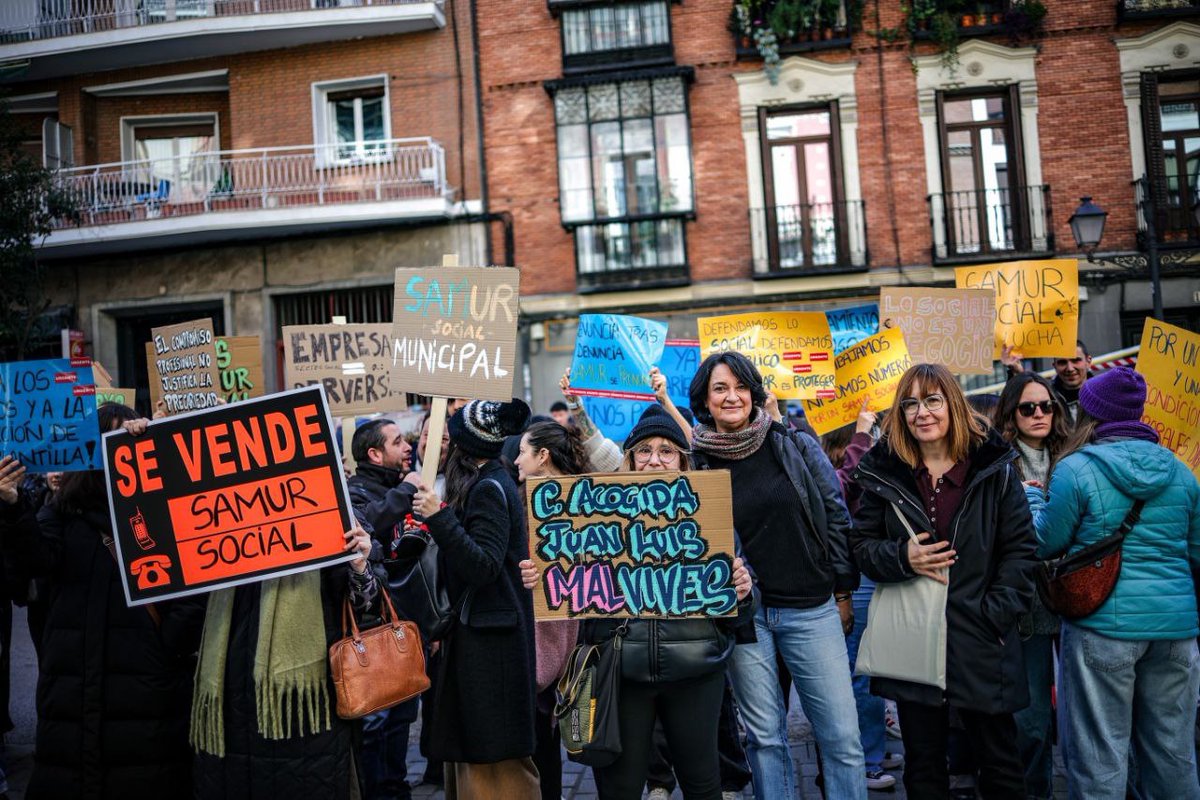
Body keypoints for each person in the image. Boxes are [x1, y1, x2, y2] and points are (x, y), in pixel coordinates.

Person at [520, 403, 753, 800]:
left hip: (696, 671)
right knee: (620, 788)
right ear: (629, 460)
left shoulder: (709, 514)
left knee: (703, 783)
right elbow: (572, 600)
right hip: (621, 674)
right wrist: (542, 580)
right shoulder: (594, 517)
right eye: (643, 451)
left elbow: (739, 615)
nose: (654, 460)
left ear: (682, 461)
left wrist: (744, 591)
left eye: (666, 451)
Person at [849, 363, 1038, 799]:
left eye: (932, 400)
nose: (922, 413)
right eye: (910, 403)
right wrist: (902, 556)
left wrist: (994, 615)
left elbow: (1021, 551)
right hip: (914, 636)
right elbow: (861, 545)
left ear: (952, 404)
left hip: (981, 637)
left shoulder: (994, 468)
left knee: (1000, 762)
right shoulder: (885, 472)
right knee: (924, 764)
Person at [0, 405, 206, 800]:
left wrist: (163, 652)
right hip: (73, 703)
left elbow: (191, 600)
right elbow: (33, 564)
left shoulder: (162, 512)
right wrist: (12, 508)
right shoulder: (60, 511)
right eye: (107, 442)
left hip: (149, 705)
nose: (117, 452)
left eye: (126, 440)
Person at [687, 351, 866, 800]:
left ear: (754, 392)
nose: (732, 397)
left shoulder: (792, 443)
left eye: (740, 386)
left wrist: (843, 590)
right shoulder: (695, 462)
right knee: (766, 741)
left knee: (842, 739)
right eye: (720, 389)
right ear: (704, 401)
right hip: (746, 620)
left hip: (811, 608)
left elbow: (835, 513)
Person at [1025, 367, 1200, 800]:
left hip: (1102, 629)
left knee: (1100, 758)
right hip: (1176, 633)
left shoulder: (1076, 469)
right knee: (1173, 755)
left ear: (1091, 413)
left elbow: (1045, 543)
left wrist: (1030, 497)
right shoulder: (1182, 472)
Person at [191, 506, 379, 796]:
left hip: (305, 721)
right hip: (231, 715)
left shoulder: (330, 511)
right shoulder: (218, 515)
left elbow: (366, 610)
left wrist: (360, 566)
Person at [412, 398, 540, 799]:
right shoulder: (489, 482)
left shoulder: (487, 488)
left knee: (494, 756)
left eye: (452, 437)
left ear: (467, 444)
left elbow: (483, 565)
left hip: (492, 643)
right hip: (485, 635)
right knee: (477, 752)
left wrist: (440, 517)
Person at [821, 405, 904, 792]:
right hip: (855, 577)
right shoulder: (833, 467)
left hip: (873, 570)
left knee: (873, 666)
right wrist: (863, 434)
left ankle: (873, 747)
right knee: (861, 670)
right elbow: (843, 485)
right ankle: (867, 761)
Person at [996, 371, 1069, 800]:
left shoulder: (1075, 454)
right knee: (1033, 719)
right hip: (1030, 603)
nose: (1039, 414)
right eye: (1028, 407)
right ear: (1012, 412)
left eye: (1046, 406)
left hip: (1083, 595)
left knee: (1084, 716)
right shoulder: (1001, 463)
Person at [511, 420, 590, 800]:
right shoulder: (522, 496)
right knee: (542, 738)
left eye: (523, 452)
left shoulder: (583, 497)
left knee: (545, 740)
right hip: (547, 629)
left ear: (543, 457)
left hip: (565, 630)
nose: (516, 460)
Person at [346, 418, 423, 800]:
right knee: (375, 723)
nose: (407, 447)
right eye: (397, 442)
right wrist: (404, 494)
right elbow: (364, 528)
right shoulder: (355, 492)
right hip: (372, 626)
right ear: (375, 454)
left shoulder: (403, 488)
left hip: (405, 626)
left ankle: (396, 787)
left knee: (402, 717)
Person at [1003, 340, 1093, 425]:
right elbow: (1009, 408)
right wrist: (1018, 374)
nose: (1070, 368)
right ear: (1054, 366)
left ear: (1088, 361)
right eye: (1062, 362)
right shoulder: (1046, 396)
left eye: (1076, 360)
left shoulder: (1104, 392)